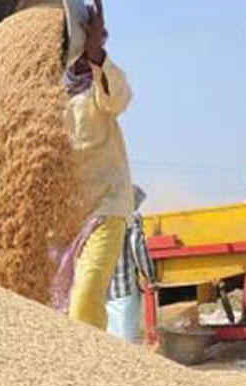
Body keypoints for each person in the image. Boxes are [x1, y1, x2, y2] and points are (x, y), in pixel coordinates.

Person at [51, 0, 135, 332]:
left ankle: (91, 370)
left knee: (84, 297)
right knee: (52, 304)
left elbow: (119, 99)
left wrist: (97, 55)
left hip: (105, 208)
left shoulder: (100, 81)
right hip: (63, 216)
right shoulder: (48, 89)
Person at [106, 186, 156, 343]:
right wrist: (150, 275)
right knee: (126, 340)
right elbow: (137, 246)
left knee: (109, 338)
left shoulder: (104, 218)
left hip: (104, 289)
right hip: (125, 288)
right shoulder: (132, 218)